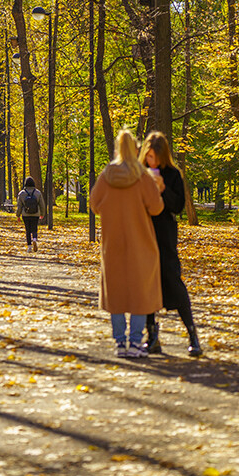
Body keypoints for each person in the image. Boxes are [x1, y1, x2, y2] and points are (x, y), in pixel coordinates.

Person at [89, 129, 165, 359]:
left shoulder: (107, 175)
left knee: (117, 294)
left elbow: (94, 203)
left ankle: (120, 344)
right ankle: (134, 343)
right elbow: (156, 208)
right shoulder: (142, 176)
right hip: (141, 243)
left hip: (113, 244)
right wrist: (159, 188)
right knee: (140, 295)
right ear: (135, 148)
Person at [140, 131, 203, 357]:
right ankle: (152, 336)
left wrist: (163, 189)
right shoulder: (140, 173)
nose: (151, 161)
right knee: (146, 286)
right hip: (144, 233)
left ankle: (193, 335)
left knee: (173, 281)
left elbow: (177, 207)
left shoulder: (173, 174)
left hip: (165, 234)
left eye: (154, 157)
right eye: (148, 156)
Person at [16, 176, 45, 252]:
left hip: (25, 214)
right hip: (35, 214)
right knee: (34, 228)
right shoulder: (37, 193)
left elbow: (19, 206)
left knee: (27, 230)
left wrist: (18, 215)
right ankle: (35, 239)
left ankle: (29, 247)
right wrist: (42, 213)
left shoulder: (21, 193)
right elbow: (42, 204)